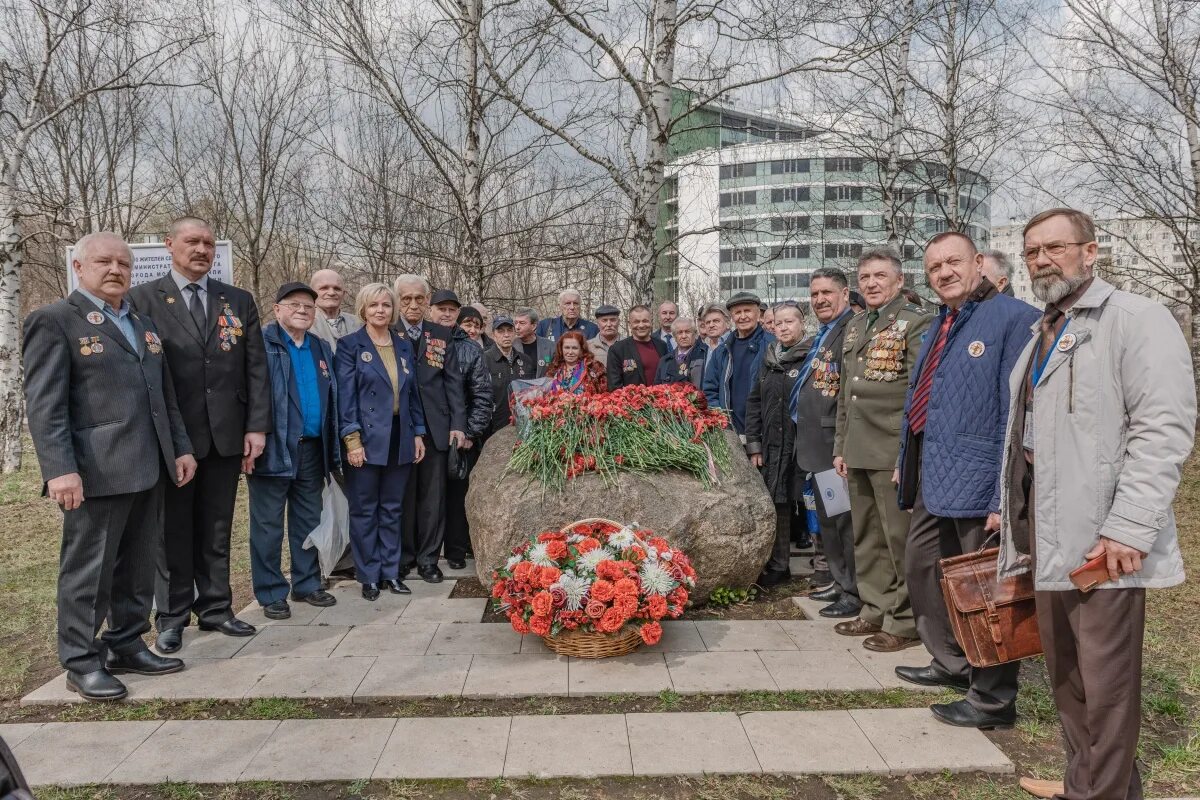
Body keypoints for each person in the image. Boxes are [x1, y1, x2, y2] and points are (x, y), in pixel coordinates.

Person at [999, 208, 1195, 800]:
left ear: (1092, 251)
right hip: (1049, 532)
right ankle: (1086, 781)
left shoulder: (1136, 318)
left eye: (1055, 247)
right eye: (1032, 251)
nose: (1041, 260)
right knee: (1069, 678)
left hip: (1103, 540)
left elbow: (1163, 429)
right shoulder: (1044, 330)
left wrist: (1130, 528)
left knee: (1106, 685)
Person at [24, 231, 196, 701]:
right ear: (79, 268)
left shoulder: (140, 323)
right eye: (104, 262)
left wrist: (179, 447)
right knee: (89, 571)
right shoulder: (54, 320)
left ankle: (125, 642)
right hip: (95, 471)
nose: (116, 269)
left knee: (139, 566)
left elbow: (164, 397)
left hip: (149, 464)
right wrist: (59, 469)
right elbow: (45, 405)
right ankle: (80, 660)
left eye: (123, 263)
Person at [895, 232, 1039, 729]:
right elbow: (925, 398)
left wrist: (1007, 492)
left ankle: (994, 699)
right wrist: (905, 458)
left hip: (981, 482)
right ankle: (953, 662)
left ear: (978, 262)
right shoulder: (945, 320)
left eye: (953, 262)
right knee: (921, 567)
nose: (944, 273)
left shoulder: (1014, 318)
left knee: (987, 592)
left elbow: (1015, 413)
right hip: (934, 474)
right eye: (934, 267)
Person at [128, 217, 270, 654]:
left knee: (216, 525)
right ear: (169, 245)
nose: (201, 250)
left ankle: (216, 608)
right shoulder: (141, 299)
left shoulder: (238, 300)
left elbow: (256, 368)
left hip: (226, 434)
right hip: (173, 436)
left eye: (208, 243)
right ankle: (171, 617)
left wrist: (256, 426)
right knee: (172, 529)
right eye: (192, 241)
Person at [831, 248, 932, 653]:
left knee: (897, 539)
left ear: (899, 281)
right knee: (866, 537)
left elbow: (917, 394)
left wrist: (908, 456)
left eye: (879, 276)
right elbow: (846, 394)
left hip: (891, 449)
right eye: (865, 277)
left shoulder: (915, 322)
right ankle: (873, 608)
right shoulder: (855, 326)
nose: (871, 283)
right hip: (856, 448)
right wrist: (840, 446)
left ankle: (903, 621)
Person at [248, 282, 342, 619]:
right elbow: (248, 394)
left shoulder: (319, 347)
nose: (302, 310)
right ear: (277, 309)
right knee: (268, 524)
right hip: (273, 447)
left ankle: (306, 583)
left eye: (308, 306)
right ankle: (272, 591)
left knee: (307, 520)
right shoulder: (261, 342)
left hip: (313, 448)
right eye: (294, 304)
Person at [336, 284, 427, 600]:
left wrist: (417, 433)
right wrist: (352, 440)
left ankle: (390, 571)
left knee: (392, 509)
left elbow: (411, 394)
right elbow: (345, 398)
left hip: (400, 436)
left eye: (386, 305)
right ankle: (368, 574)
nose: (380, 310)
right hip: (366, 439)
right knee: (364, 510)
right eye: (374, 305)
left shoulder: (402, 345)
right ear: (363, 308)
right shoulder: (349, 345)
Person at [793, 267, 859, 618]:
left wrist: (842, 446)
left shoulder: (851, 329)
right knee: (829, 522)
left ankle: (853, 591)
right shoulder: (826, 332)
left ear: (845, 294)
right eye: (815, 294)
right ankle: (838, 579)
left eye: (827, 293)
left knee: (844, 523)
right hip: (816, 445)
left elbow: (848, 392)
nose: (819, 299)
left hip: (835, 446)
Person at [394, 276, 466, 584]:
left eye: (419, 299)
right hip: (400, 429)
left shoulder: (440, 334)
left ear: (427, 302)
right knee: (403, 496)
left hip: (437, 428)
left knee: (432, 498)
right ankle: (405, 557)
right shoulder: (388, 331)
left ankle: (427, 559)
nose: (413, 304)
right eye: (406, 298)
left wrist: (458, 425)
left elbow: (453, 382)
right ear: (398, 300)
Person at [745, 302, 808, 587]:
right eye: (778, 323)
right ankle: (779, 565)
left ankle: (825, 569)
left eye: (789, 322)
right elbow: (754, 401)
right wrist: (754, 444)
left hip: (803, 444)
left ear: (801, 324)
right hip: (772, 443)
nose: (783, 327)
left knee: (813, 505)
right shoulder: (768, 357)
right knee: (778, 503)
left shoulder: (811, 355)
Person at [429, 292, 494, 570]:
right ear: (431, 310)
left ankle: (455, 551)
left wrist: (470, 432)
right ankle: (426, 555)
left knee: (457, 496)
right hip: (428, 432)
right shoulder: (422, 341)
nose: (446, 314)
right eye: (441, 309)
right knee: (429, 497)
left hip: (461, 435)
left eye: (451, 310)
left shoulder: (470, 349)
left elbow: (482, 396)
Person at [703, 292, 776, 436]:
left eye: (747, 311)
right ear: (731, 317)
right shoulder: (722, 351)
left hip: (765, 431)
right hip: (731, 431)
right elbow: (710, 390)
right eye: (737, 312)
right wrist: (722, 420)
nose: (742, 316)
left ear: (758, 314)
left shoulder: (772, 345)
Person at [482, 315, 536, 439]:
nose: (506, 335)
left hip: (522, 426)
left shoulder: (526, 360)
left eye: (509, 330)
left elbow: (531, 393)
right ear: (493, 334)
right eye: (500, 331)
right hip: (493, 428)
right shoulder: (484, 359)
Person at [606, 305, 668, 388]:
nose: (641, 325)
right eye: (636, 322)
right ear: (629, 324)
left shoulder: (662, 345)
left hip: (661, 399)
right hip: (633, 400)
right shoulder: (617, 349)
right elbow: (614, 386)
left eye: (645, 321)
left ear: (651, 322)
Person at [309, 268, 361, 348]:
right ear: (312, 293)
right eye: (324, 288)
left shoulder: (359, 323)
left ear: (343, 294)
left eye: (337, 289)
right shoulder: (304, 323)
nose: (331, 293)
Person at [654, 317, 707, 386]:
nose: (684, 336)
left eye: (687, 332)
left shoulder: (705, 354)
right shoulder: (665, 360)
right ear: (674, 336)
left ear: (695, 333)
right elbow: (657, 389)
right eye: (679, 332)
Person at [535, 289, 599, 341]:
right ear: (560, 306)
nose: (572, 307)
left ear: (580, 306)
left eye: (576, 303)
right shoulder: (545, 326)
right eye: (568, 303)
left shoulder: (592, 329)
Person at [514, 308, 553, 377]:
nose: (517, 327)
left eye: (522, 323)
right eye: (516, 323)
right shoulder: (511, 346)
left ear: (533, 326)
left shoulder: (550, 346)